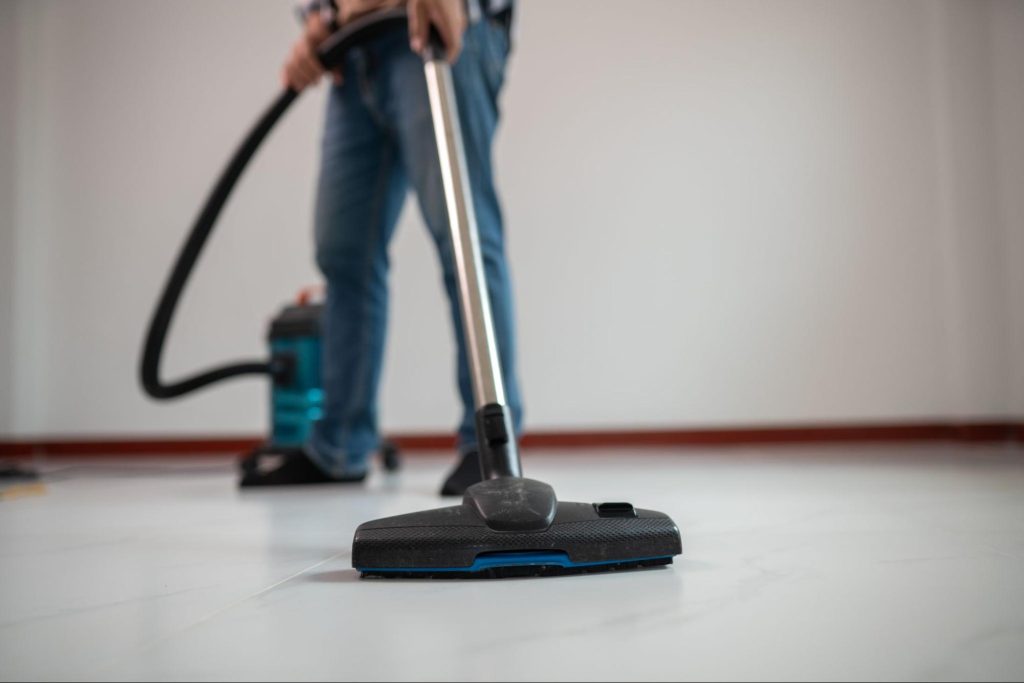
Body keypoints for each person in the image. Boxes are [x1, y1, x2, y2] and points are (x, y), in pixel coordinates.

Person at [241, 0, 523, 495]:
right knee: (343, 252)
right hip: (353, 52)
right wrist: (318, 18)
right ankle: (340, 446)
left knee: (464, 234)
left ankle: (491, 447)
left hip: (435, 24)